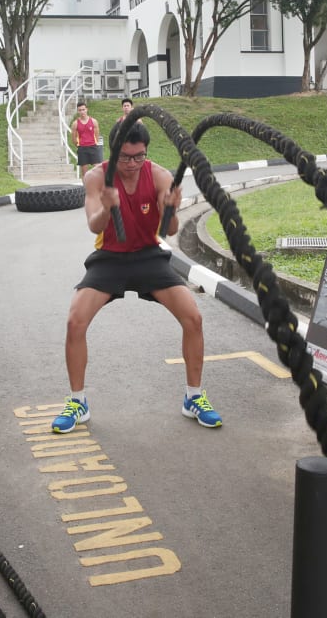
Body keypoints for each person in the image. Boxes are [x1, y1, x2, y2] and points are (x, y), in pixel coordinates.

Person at [51, 121, 222, 433]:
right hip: (110, 257)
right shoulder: (96, 177)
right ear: (114, 152)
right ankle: (78, 402)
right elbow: (94, 225)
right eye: (126, 158)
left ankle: (193, 398)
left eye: (139, 156)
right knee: (75, 320)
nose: (132, 165)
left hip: (147, 255)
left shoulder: (158, 176)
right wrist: (106, 208)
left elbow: (168, 231)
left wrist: (170, 210)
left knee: (193, 317)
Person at [72, 101, 102, 175]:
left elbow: (97, 136)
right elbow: (74, 139)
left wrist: (94, 143)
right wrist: (79, 146)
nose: (82, 112)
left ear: (86, 109)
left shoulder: (94, 121)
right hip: (82, 148)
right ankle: (86, 186)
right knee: (85, 172)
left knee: (98, 169)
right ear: (78, 111)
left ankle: (97, 186)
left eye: (83, 109)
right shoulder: (75, 123)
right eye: (80, 110)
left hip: (93, 147)